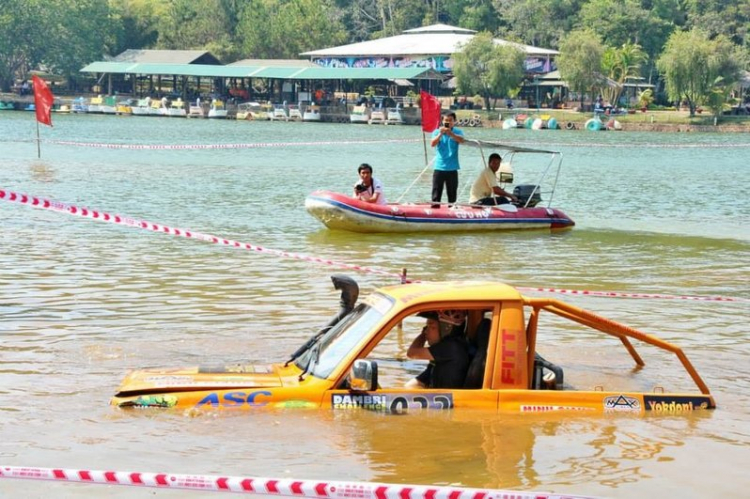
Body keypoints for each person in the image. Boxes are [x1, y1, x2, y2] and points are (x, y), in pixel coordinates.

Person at [405, 310, 470, 389]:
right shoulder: (442, 354)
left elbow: (412, 353)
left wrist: (422, 335)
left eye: (431, 327)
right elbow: (414, 384)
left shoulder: (451, 348)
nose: (426, 331)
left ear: (446, 329)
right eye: (426, 327)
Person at [430, 112, 465, 205]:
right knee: (436, 196)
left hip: (452, 168)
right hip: (439, 168)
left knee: (452, 196)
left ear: (454, 121)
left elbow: (462, 140)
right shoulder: (437, 132)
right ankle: (434, 213)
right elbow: (432, 144)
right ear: (442, 121)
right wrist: (440, 134)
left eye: (450, 120)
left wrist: (451, 134)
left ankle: (451, 213)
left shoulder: (457, 132)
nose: (448, 122)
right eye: (446, 120)